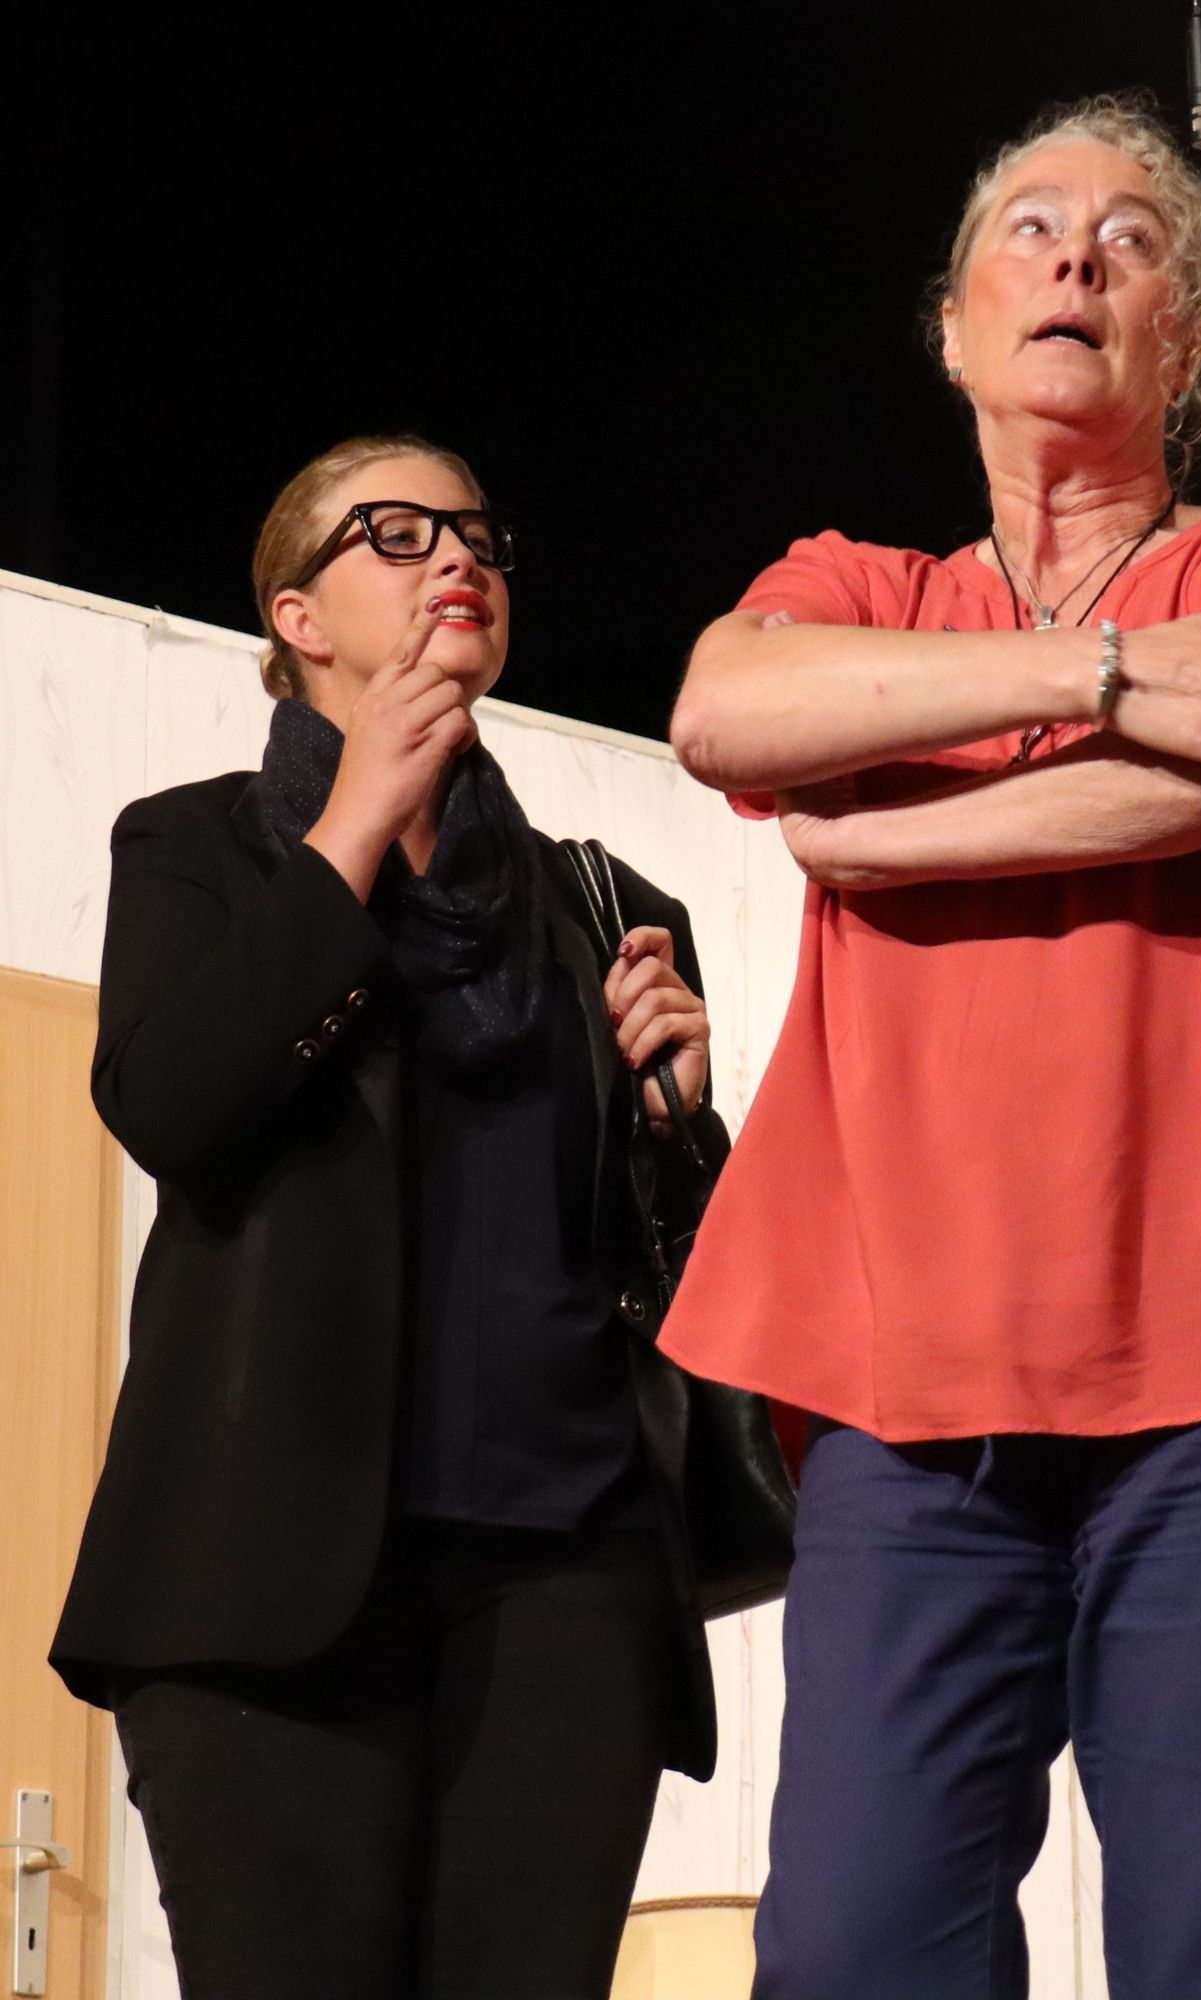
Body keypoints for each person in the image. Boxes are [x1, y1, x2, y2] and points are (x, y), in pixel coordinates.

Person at [661, 97, 1201, 2000]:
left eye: (1134, 236)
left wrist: (875, 838)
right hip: (910, 1393)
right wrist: (1104, 672)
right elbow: (720, 710)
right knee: (852, 1951)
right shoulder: (864, 588)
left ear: (1188, 339)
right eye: (1028, 226)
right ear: (953, 329)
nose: (1079, 252)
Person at [51, 435, 725, 2000]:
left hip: (566, 1582)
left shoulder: (605, 906)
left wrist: (683, 1119)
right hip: (269, 1586)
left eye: (477, 533)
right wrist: (351, 834)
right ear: (297, 617)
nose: (459, 557)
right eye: (400, 533)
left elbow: (690, 1271)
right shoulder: (197, 848)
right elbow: (173, 1104)